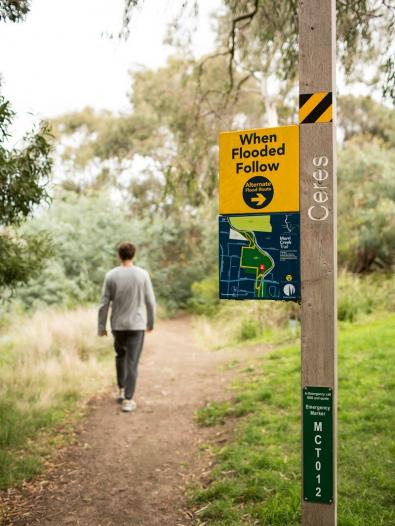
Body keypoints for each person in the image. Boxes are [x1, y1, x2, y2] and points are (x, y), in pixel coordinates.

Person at [98, 242, 155, 412]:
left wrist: (101, 326)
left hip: (117, 325)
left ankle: (122, 390)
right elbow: (150, 301)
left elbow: (104, 303)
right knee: (132, 362)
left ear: (119, 255)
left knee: (120, 355)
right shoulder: (142, 274)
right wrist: (150, 322)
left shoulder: (111, 275)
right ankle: (128, 400)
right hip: (137, 325)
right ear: (134, 255)